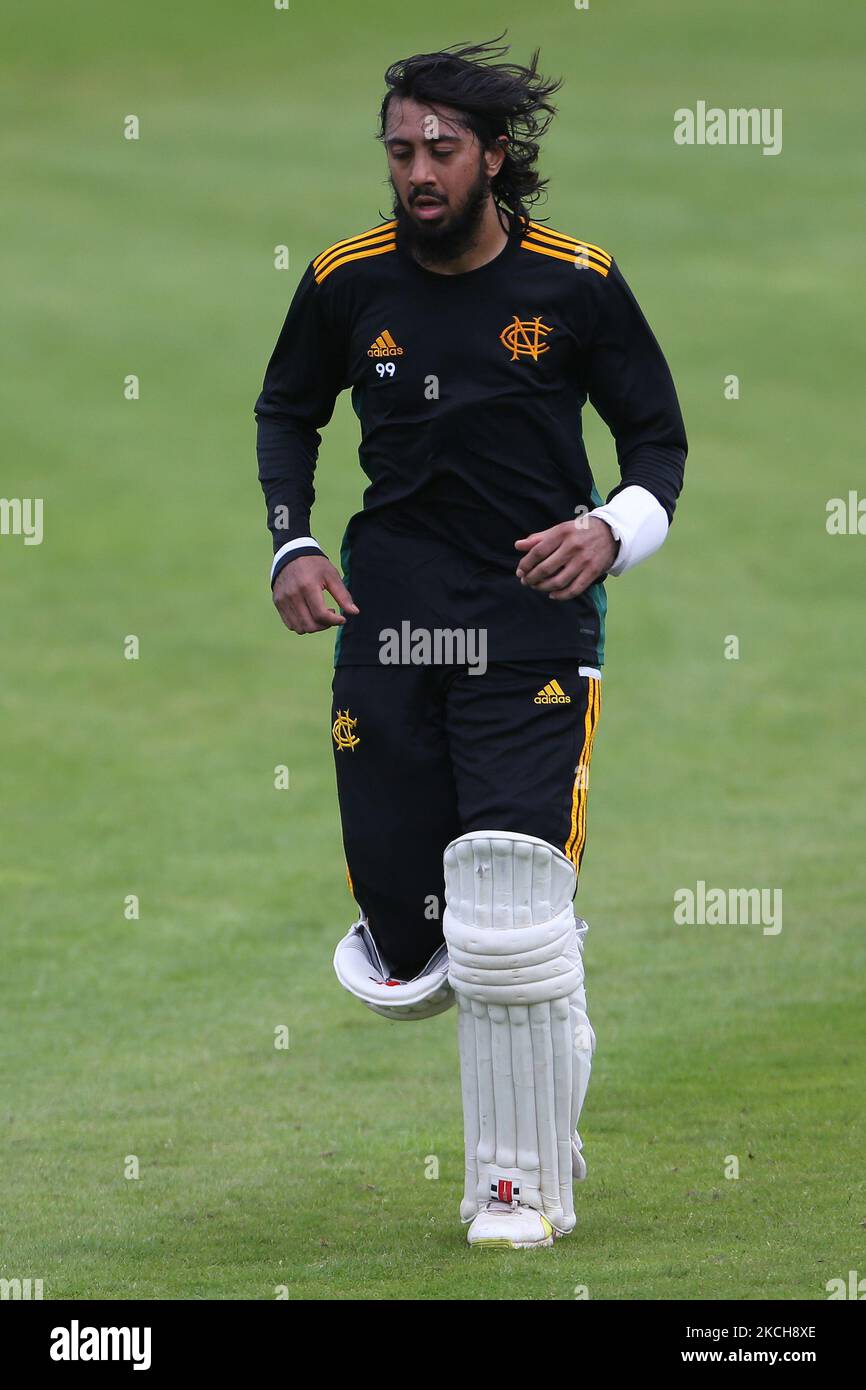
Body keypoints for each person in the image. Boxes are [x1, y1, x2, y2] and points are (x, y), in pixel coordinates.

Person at [255, 35, 687, 1248]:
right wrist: (290, 545)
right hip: (387, 625)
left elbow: (657, 444)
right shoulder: (346, 282)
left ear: (495, 155)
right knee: (406, 936)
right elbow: (288, 407)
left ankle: (514, 1189)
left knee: (506, 903)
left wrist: (606, 531)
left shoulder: (577, 283)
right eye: (399, 150)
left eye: (441, 148)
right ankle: (546, 1018)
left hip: (531, 628)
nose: (417, 171)